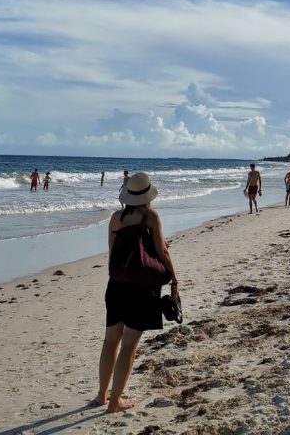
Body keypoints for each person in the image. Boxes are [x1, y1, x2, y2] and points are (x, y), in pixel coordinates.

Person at [95, 172, 178, 413]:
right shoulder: (151, 216)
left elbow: (114, 254)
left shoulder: (115, 218)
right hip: (142, 288)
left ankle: (102, 394)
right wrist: (174, 278)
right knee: (129, 344)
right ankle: (115, 402)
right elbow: (161, 253)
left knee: (110, 340)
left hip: (116, 284)